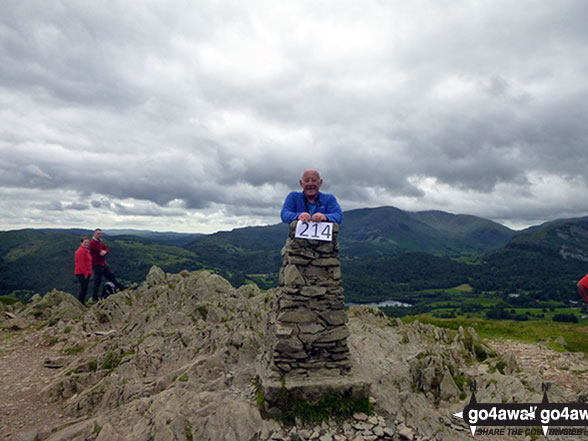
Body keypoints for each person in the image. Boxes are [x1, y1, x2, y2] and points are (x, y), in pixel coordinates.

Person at [89, 228, 125, 302]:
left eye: (101, 233)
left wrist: (105, 252)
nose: (100, 235)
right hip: (97, 265)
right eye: (98, 234)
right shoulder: (93, 243)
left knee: (111, 276)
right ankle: (94, 298)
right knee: (97, 281)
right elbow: (100, 253)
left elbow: (106, 249)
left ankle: (122, 288)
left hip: (103, 264)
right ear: (94, 234)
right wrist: (104, 252)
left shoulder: (100, 241)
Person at [74, 237, 92, 304]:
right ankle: (80, 302)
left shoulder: (86, 251)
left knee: (85, 288)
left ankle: (81, 301)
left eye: (88, 242)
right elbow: (81, 263)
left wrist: (90, 272)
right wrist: (86, 274)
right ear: (81, 243)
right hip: (81, 272)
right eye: (85, 242)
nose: (87, 244)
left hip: (86, 272)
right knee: (84, 288)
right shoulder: (80, 251)